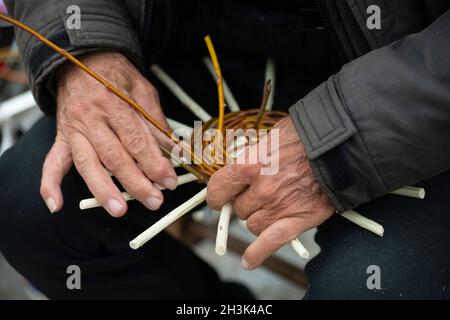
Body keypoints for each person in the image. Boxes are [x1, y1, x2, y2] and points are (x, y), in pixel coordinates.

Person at [0, 0, 449, 299]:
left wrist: (339, 136)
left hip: (407, 102)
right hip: (210, 56)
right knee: (29, 208)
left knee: (367, 288)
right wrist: (81, 47)